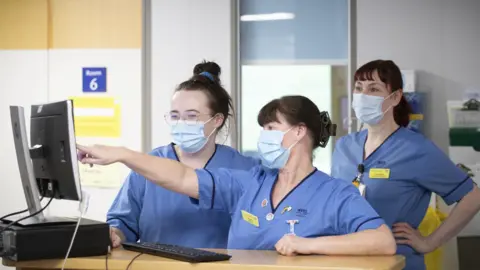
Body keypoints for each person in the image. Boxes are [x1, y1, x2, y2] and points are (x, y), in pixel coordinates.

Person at [78, 95, 396, 256]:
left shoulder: (334, 193)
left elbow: (382, 241)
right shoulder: (250, 180)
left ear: (300, 132)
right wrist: (123, 154)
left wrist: (310, 245)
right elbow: (181, 178)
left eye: (271, 128)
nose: (264, 137)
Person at [331, 60, 480, 270]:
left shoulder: (417, 149)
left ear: (395, 97)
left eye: (374, 88)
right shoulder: (344, 146)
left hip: (397, 263)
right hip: (346, 262)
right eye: (359, 88)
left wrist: (430, 242)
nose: (363, 95)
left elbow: (472, 197)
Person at [106, 61, 260, 249]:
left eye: (191, 116)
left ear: (217, 120)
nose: (181, 123)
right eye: (175, 116)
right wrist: (115, 234)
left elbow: (261, 228)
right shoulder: (149, 166)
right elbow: (122, 223)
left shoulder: (243, 168)